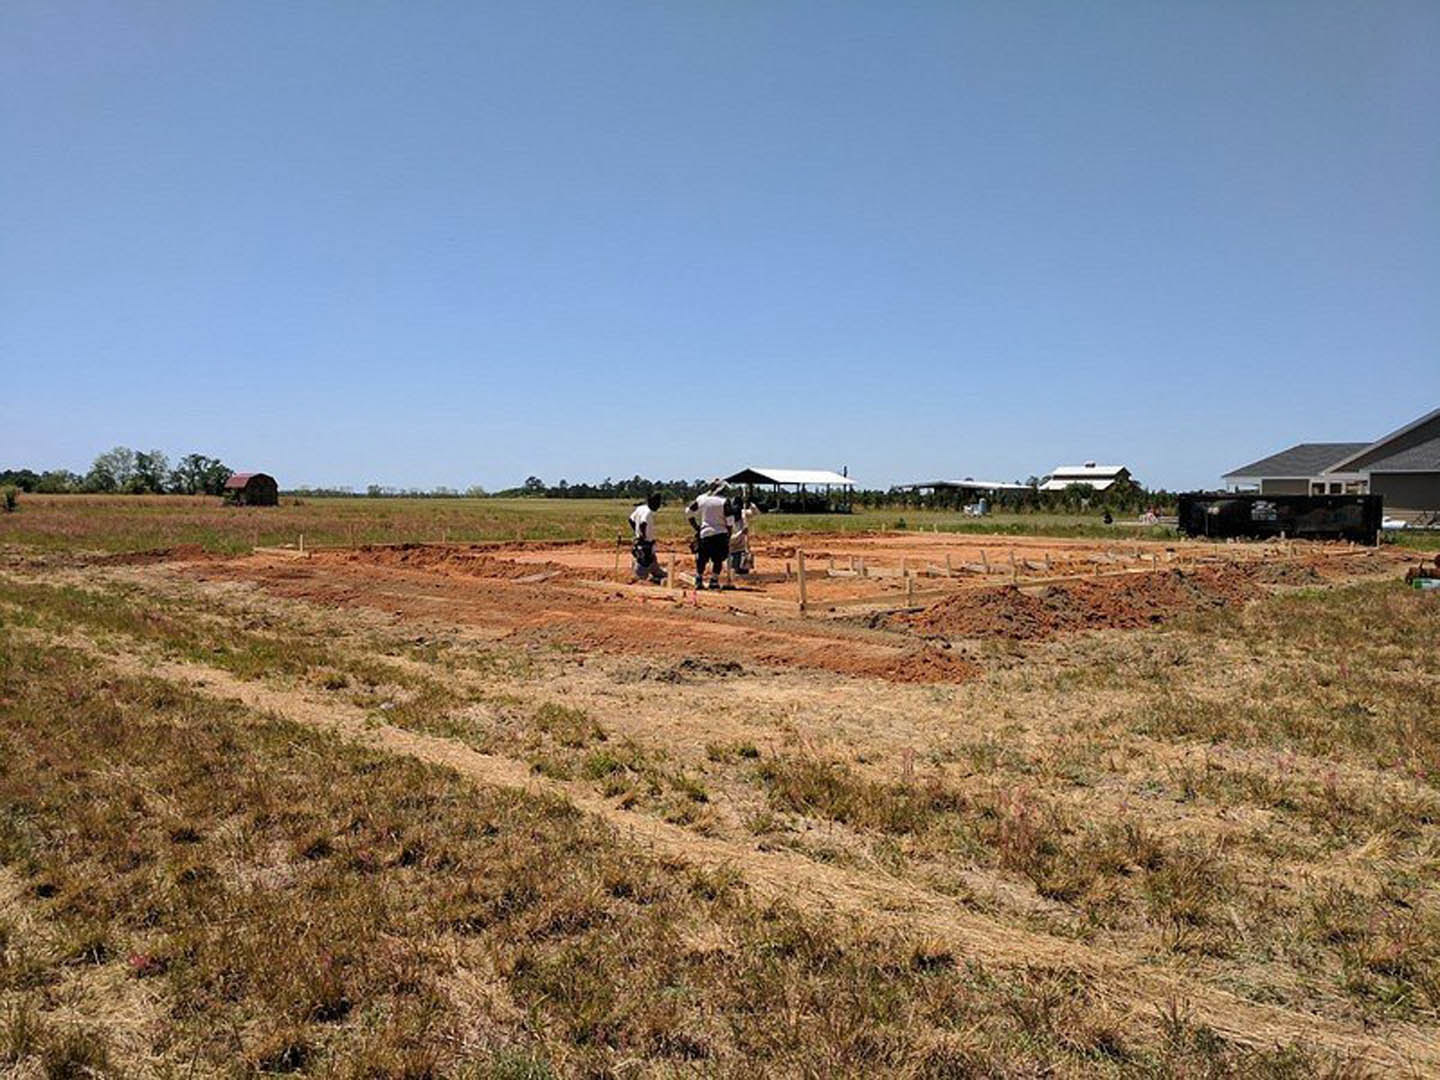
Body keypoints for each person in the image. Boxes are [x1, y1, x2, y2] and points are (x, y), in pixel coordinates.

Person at [686, 480, 733, 590]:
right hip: (720, 533)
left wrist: (697, 528)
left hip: (705, 533)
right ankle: (714, 581)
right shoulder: (724, 502)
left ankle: (699, 579)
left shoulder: (702, 499)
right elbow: (730, 521)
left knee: (702, 558)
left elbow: (688, 512)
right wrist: (729, 534)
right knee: (718, 559)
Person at [627, 493, 666, 583]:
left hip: (646, 543)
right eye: (658, 503)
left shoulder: (640, 508)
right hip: (646, 543)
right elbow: (643, 523)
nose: (658, 506)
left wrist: (636, 532)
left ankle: (656, 573)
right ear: (653, 502)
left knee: (652, 561)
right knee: (644, 562)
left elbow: (630, 519)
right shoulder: (648, 512)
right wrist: (643, 536)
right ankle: (640, 577)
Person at [728, 498, 759, 575]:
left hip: (744, 548)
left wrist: (750, 503)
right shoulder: (728, 520)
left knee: (745, 570)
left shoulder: (743, 514)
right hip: (733, 549)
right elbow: (730, 540)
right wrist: (741, 532)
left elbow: (755, 512)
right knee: (735, 571)